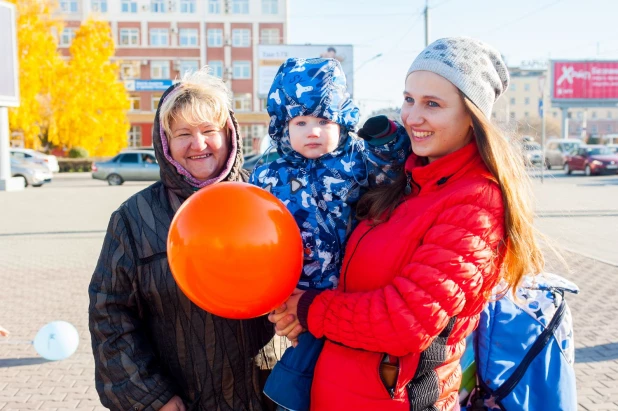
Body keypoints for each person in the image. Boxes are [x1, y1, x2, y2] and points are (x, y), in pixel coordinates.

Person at [270, 37, 545, 410]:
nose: (413, 117)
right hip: (337, 392)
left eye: (433, 104)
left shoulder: (476, 202)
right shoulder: (406, 182)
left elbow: (405, 322)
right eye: (409, 99)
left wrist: (309, 309)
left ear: (472, 115)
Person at [88, 68, 278, 411]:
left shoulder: (268, 199)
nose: (199, 144)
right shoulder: (135, 219)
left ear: (229, 135)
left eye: (209, 130)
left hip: (270, 394)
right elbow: (110, 315)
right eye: (183, 133)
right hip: (186, 400)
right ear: (165, 143)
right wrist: (152, 397)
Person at [249, 57, 409, 411]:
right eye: (301, 121)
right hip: (292, 292)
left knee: (335, 374)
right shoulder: (267, 175)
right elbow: (252, 233)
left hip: (346, 294)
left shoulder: (355, 162)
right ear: (283, 125)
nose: (314, 131)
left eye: (324, 120)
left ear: (343, 121)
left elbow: (390, 175)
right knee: (293, 371)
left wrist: (387, 142)